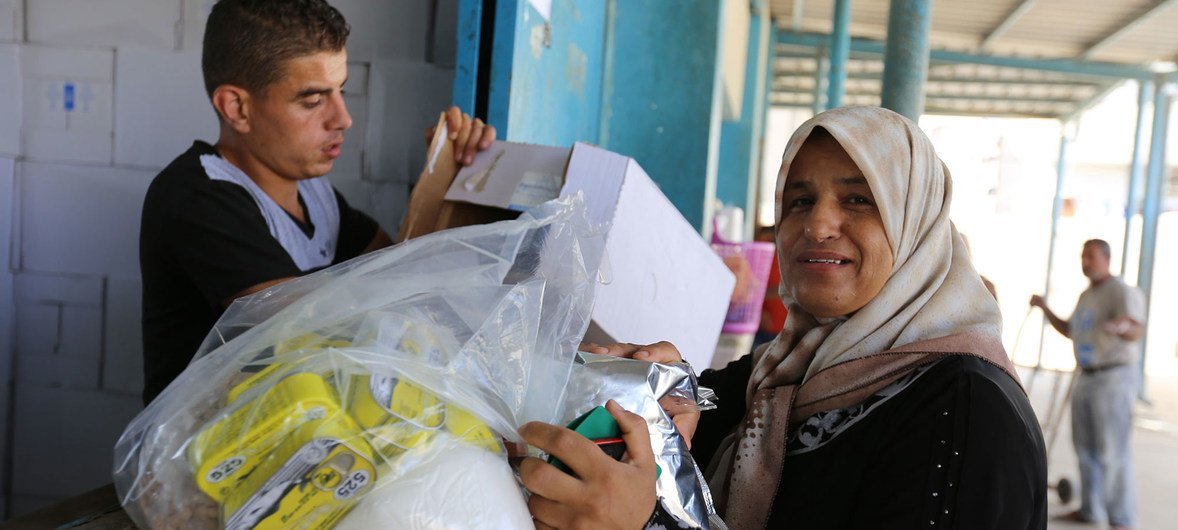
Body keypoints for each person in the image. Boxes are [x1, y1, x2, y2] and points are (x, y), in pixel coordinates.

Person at [517, 106, 1047, 529]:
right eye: (799, 200)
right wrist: (669, 385)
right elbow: (704, 405)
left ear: (915, 223)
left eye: (859, 199)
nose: (817, 225)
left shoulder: (967, 414)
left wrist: (647, 525)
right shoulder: (790, 366)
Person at [139, 0, 495, 405]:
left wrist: (448, 177)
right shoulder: (196, 196)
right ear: (237, 107)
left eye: (340, 92)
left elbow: (399, 275)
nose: (343, 118)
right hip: (199, 459)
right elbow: (312, 330)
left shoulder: (312, 193)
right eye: (312, 100)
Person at [1030, 239, 1145, 530]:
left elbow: (1135, 328)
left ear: (1106, 258)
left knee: (1112, 450)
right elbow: (1071, 330)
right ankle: (1091, 509)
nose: (1086, 262)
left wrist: (1122, 327)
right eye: (1083, 256)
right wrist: (1044, 308)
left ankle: (1122, 518)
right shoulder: (1086, 295)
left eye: (1091, 256)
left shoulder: (1120, 290)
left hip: (1114, 377)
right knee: (1085, 447)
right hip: (1086, 376)